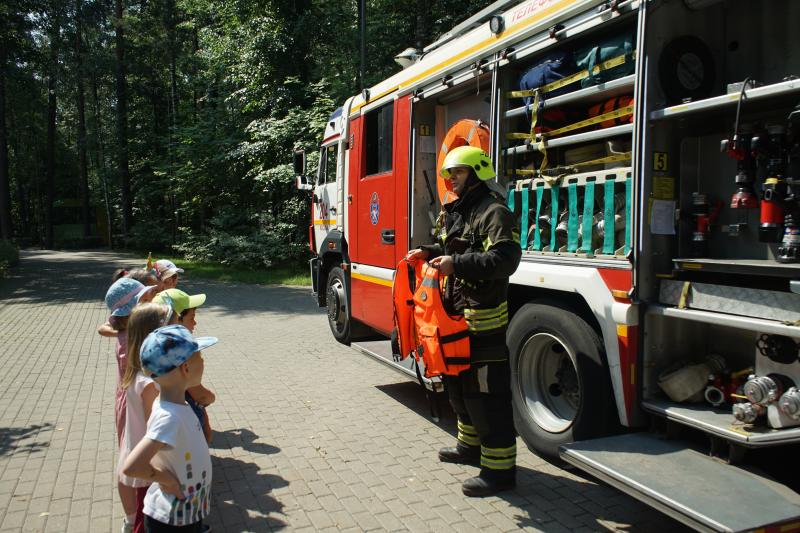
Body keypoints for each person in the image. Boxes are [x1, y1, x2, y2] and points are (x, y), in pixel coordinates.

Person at [406, 146, 521, 497]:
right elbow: (449, 246)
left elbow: (505, 260)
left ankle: (500, 472)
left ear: (476, 172)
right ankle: (468, 448)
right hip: (456, 320)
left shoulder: (493, 211)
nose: (450, 179)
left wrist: (456, 264)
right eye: (448, 174)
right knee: (458, 388)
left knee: (488, 397)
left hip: (483, 323)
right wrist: (427, 252)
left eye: (456, 173)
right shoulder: (457, 211)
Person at [122, 325, 218, 532]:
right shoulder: (169, 417)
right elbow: (132, 466)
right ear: (185, 368)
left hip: (185, 514)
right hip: (171, 521)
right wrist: (167, 480)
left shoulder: (175, 404)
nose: (204, 362)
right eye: (199, 357)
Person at [102, 277, 160, 530]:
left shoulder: (129, 333)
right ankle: (131, 517)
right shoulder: (132, 341)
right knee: (132, 459)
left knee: (134, 455)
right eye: (145, 300)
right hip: (135, 404)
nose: (152, 301)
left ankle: (136, 513)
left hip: (132, 400)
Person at [118, 304, 169, 533]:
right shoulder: (148, 383)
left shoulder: (138, 374)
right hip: (148, 463)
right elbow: (156, 429)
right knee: (145, 517)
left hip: (142, 458)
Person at [153, 289, 215, 444]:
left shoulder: (154, 349)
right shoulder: (180, 356)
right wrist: (210, 398)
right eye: (192, 317)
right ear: (175, 320)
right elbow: (199, 394)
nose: (195, 322)